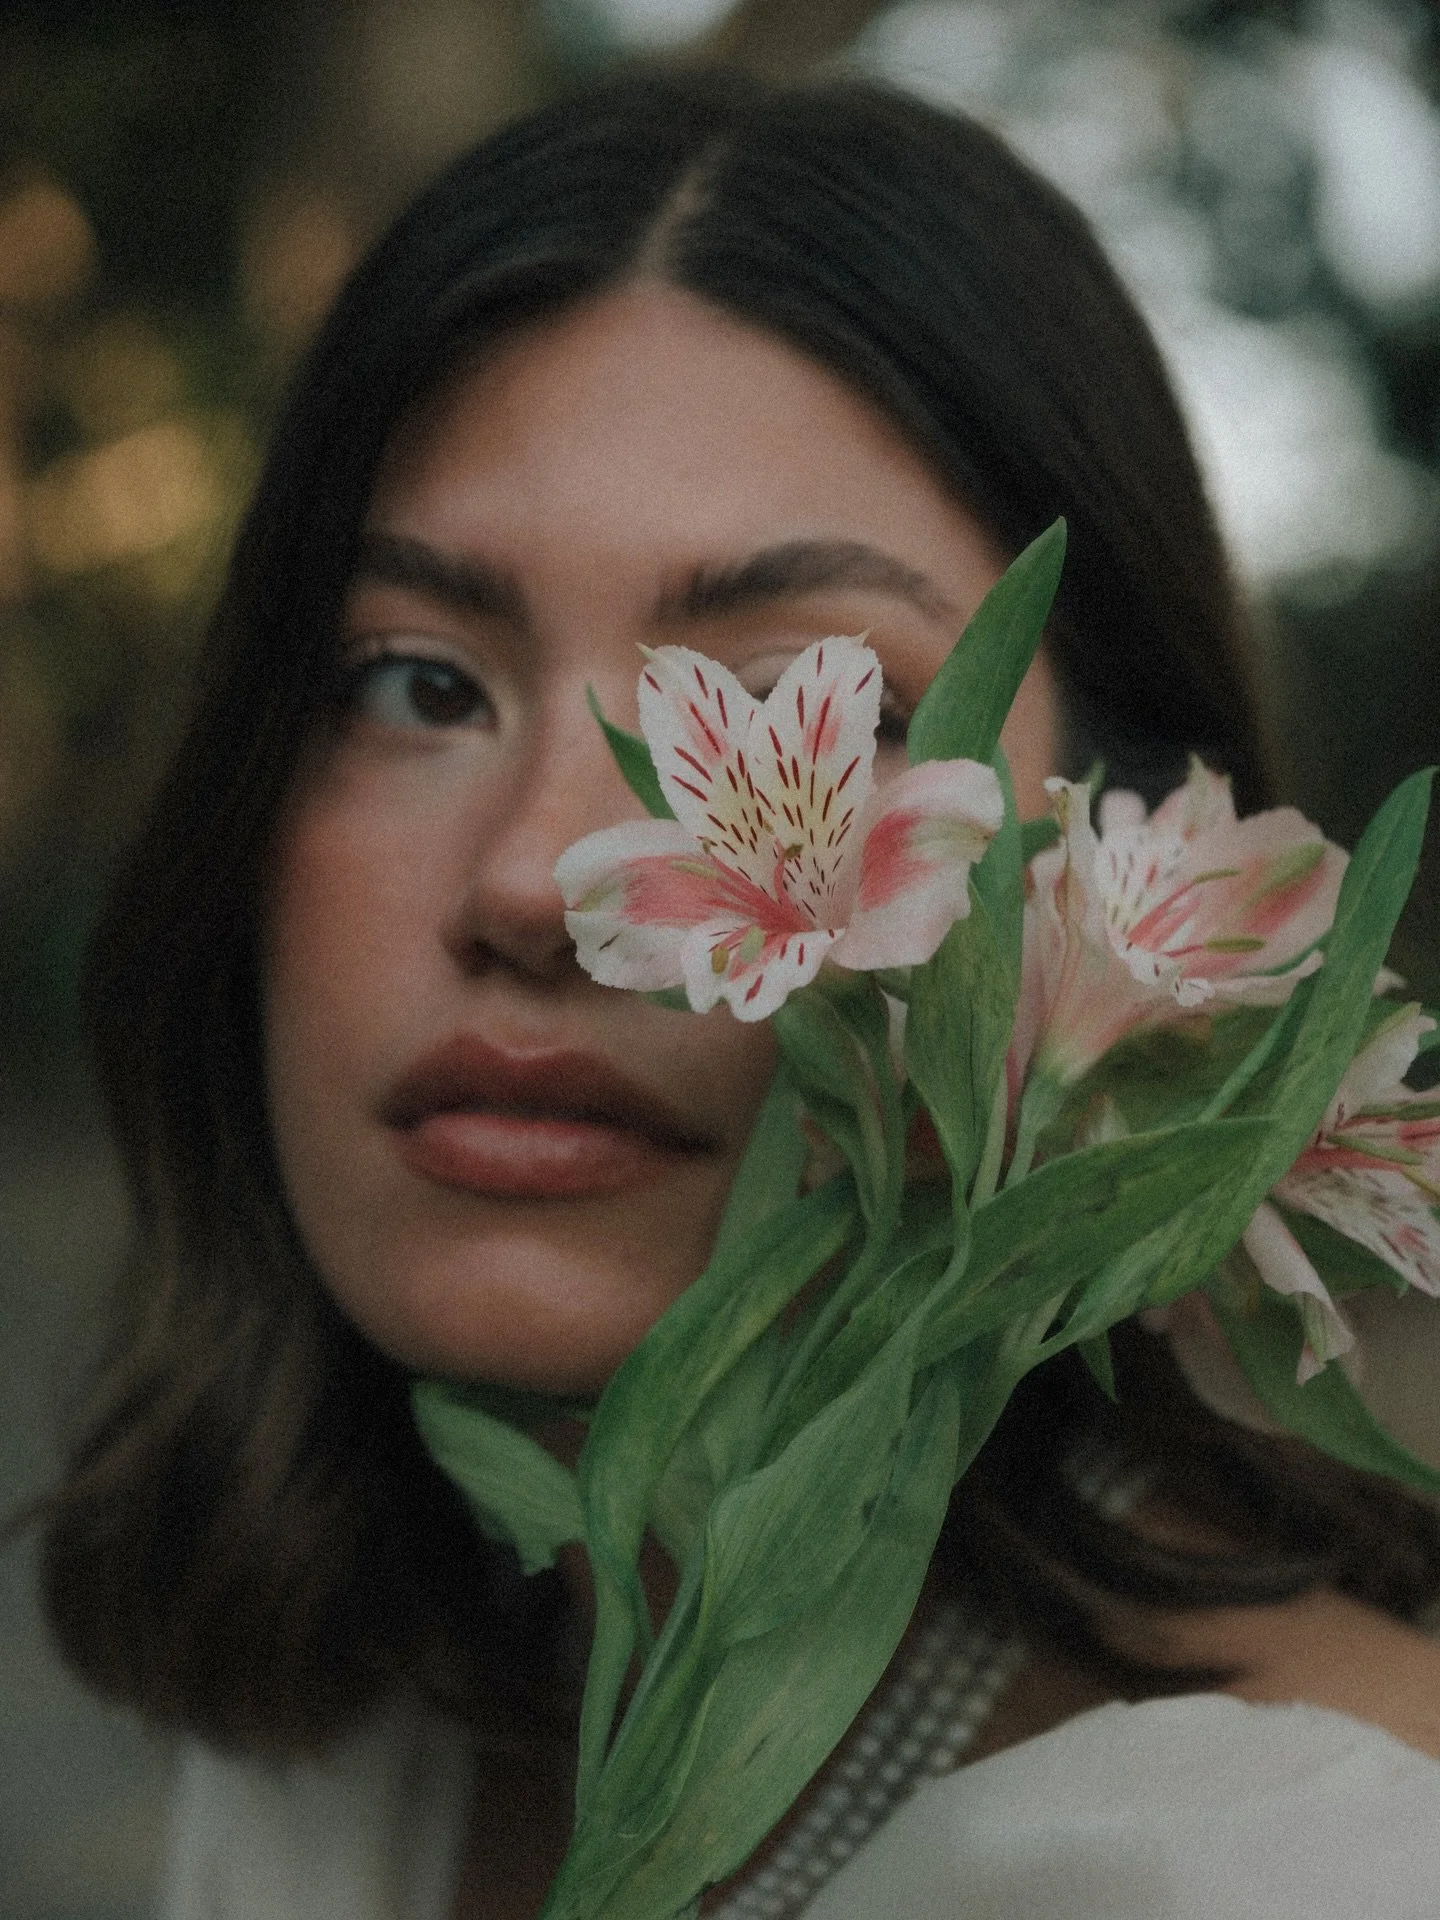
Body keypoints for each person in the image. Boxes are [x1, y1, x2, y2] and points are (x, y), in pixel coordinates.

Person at [39, 66, 1440, 1919]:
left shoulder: (1320, 1870)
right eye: (411, 682)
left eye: (841, 710)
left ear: (1133, 852)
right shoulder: (334, 1737)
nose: (544, 884)